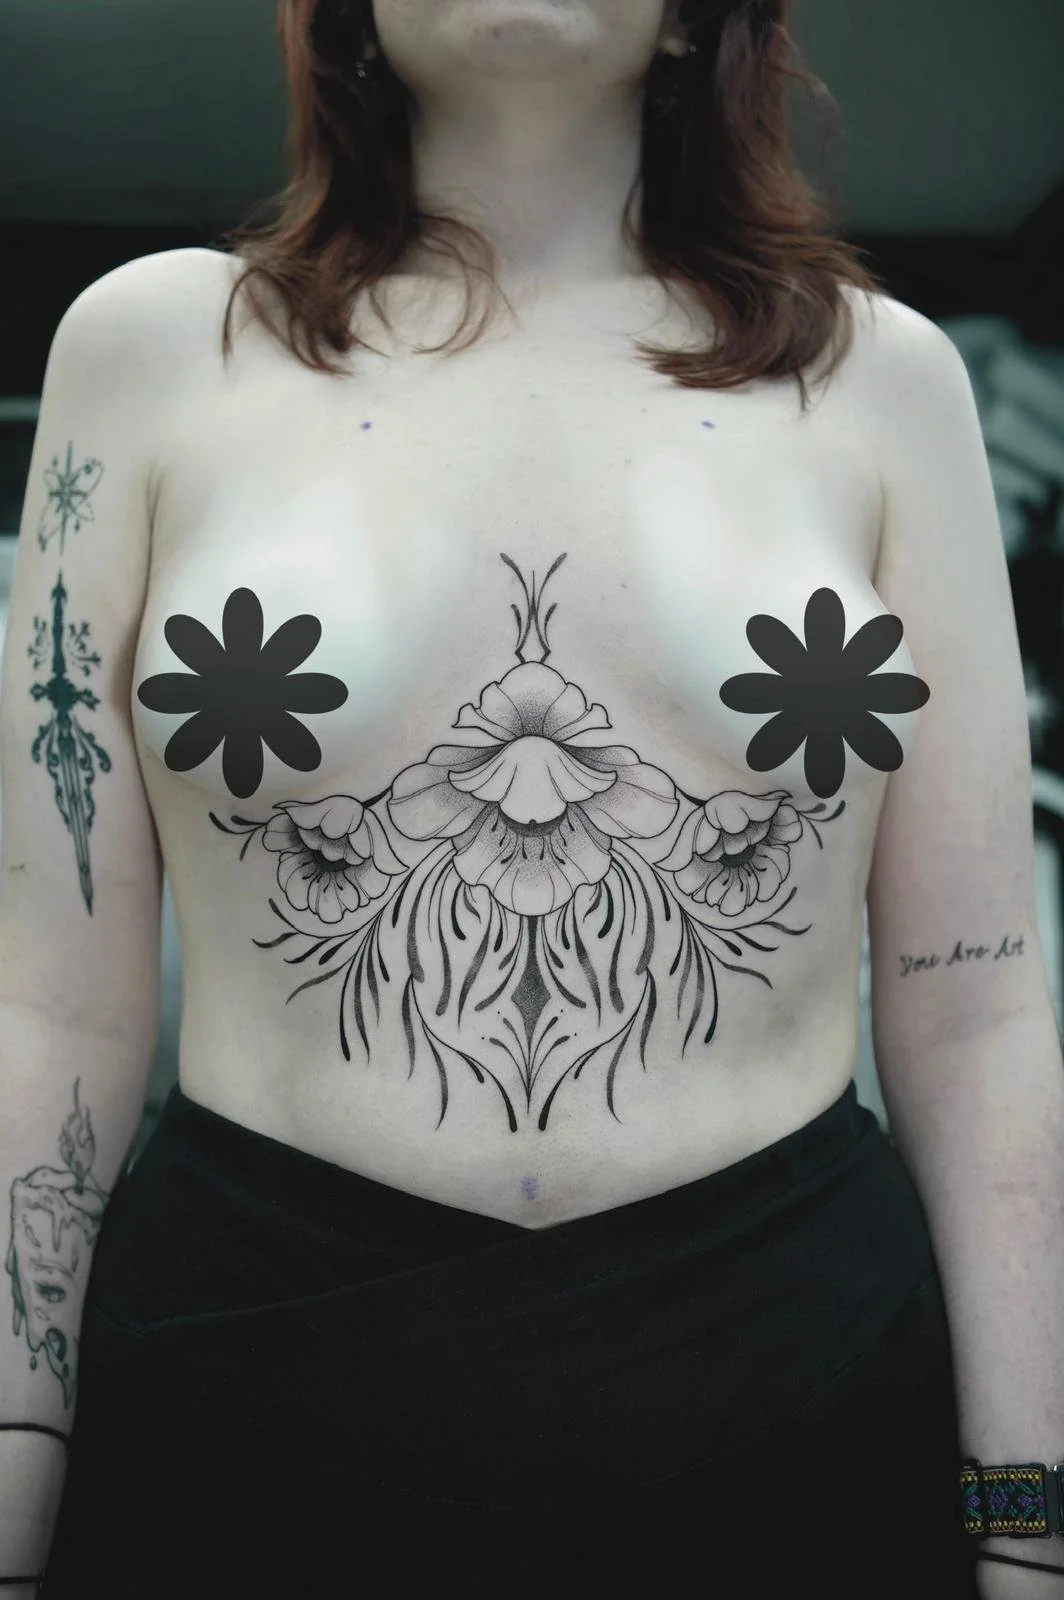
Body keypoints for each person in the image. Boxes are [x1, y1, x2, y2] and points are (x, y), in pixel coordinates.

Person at [0, 1, 1060, 1596]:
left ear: (703, 16)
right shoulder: (150, 352)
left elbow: (975, 1023)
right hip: (248, 1376)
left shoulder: (880, 381)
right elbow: (48, 1005)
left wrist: (1027, 1523)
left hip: (800, 1385)